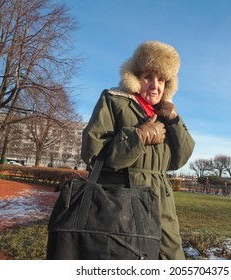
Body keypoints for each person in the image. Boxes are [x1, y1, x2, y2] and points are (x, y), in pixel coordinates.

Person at [81, 41, 195, 260]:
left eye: (161, 79)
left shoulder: (165, 112)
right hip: (122, 201)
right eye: (148, 77)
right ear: (134, 77)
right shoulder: (113, 99)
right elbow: (93, 154)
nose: (155, 85)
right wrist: (138, 137)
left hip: (162, 204)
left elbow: (181, 158)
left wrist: (174, 120)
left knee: (172, 258)